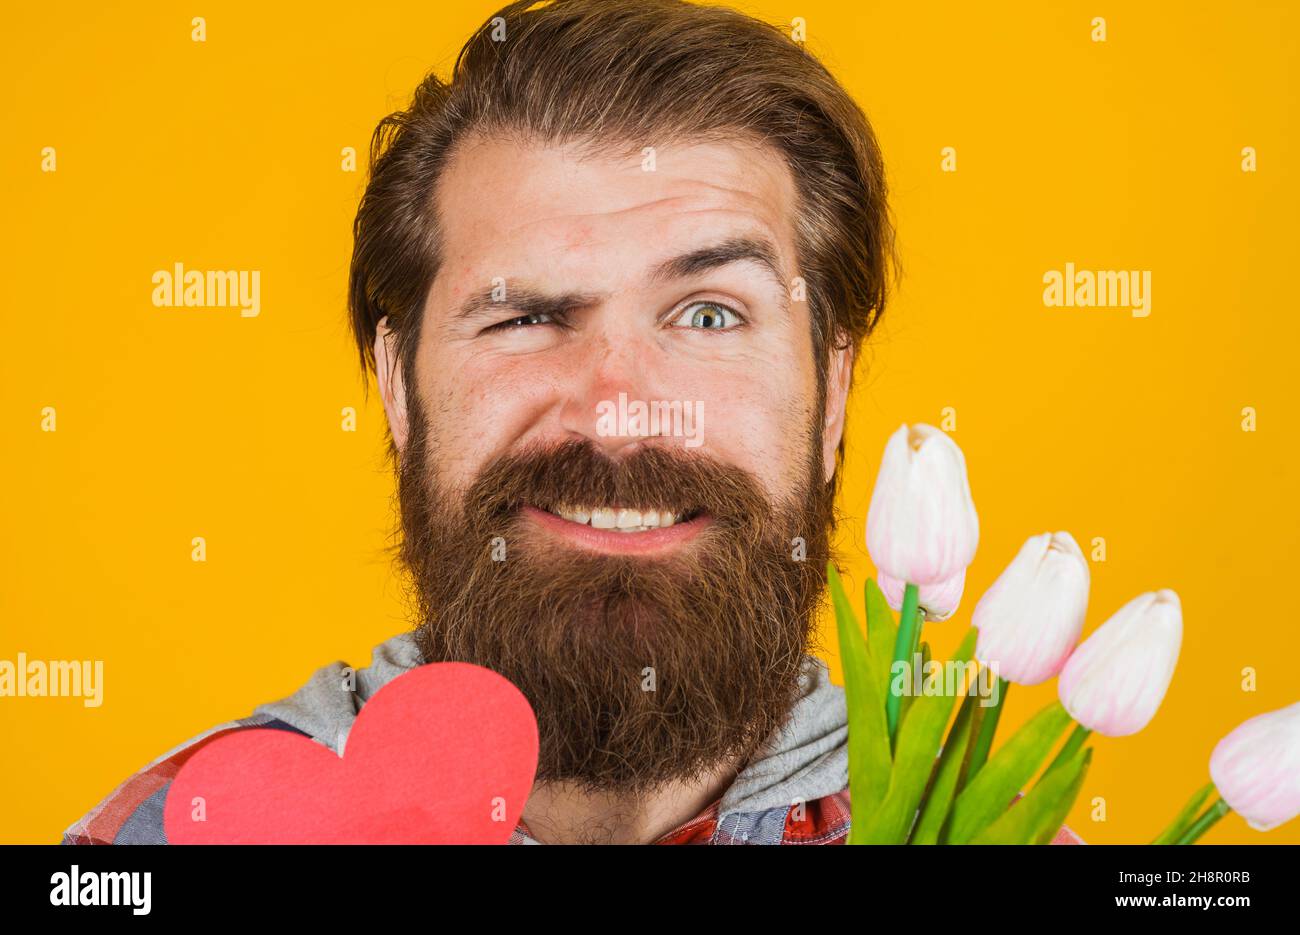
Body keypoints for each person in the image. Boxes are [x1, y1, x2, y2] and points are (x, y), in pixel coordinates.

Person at [62, 0, 1079, 845]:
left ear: (832, 397)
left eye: (710, 314)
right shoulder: (161, 839)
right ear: (399, 389)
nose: (619, 409)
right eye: (525, 315)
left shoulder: (995, 839)